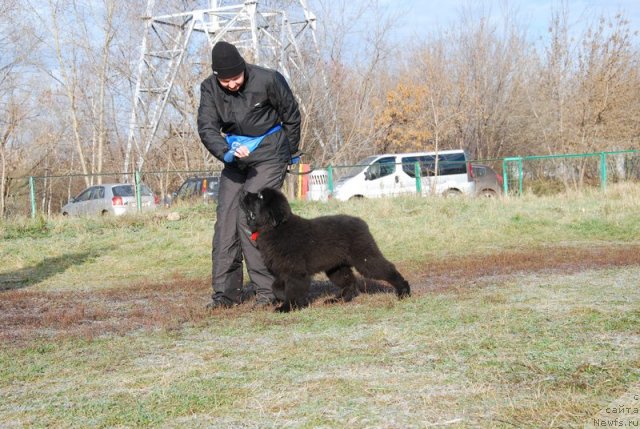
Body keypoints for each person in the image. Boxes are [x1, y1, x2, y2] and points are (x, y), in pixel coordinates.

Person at [197, 40, 301, 309]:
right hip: (235, 158)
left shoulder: (268, 80)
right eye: (225, 80)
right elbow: (207, 127)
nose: (231, 84)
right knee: (226, 221)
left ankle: (268, 291)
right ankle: (225, 294)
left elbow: (291, 115)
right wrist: (226, 152)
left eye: (236, 78)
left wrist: (288, 154)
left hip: (269, 153)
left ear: (243, 68)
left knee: (250, 216)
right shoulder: (209, 89)